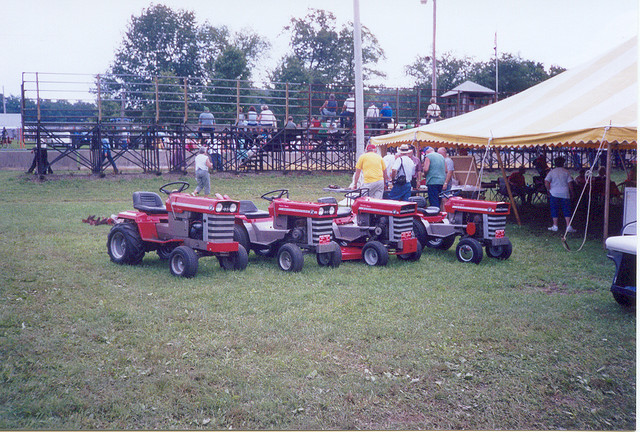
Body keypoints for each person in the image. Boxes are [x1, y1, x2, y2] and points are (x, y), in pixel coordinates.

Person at [544, 157, 576, 233]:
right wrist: (572, 192)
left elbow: (546, 182)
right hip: (565, 193)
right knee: (566, 209)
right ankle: (568, 226)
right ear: (563, 163)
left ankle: (555, 226)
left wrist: (549, 189)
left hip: (554, 193)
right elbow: (570, 183)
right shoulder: (566, 172)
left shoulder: (551, 172)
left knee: (554, 209)